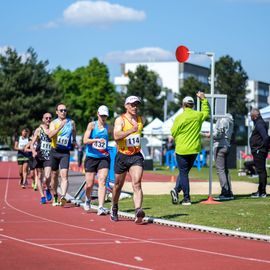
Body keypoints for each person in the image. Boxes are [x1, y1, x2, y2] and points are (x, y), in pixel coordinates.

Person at [170, 92, 210, 205]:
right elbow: (206, 112)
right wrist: (204, 100)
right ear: (192, 105)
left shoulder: (179, 117)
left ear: (183, 105)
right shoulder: (197, 116)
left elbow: (173, 132)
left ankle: (187, 198)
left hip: (182, 149)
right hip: (194, 149)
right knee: (184, 172)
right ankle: (176, 190)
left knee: (183, 173)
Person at [111, 96, 145, 223]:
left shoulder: (141, 120)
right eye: (132, 104)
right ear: (126, 106)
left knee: (137, 183)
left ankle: (138, 211)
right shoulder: (120, 120)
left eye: (136, 104)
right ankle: (114, 206)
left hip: (136, 155)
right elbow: (116, 136)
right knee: (118, 185)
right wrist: (131, 130)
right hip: (122, 155)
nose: (134, 107)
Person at [83, 105, 110, 215]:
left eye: (105, 116)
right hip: (91, 157)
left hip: (104, 157)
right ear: (97, 114)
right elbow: (85, 140)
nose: (103, 117)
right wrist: (95, 140)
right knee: (89, 184)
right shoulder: (92, 125)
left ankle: (101, 207)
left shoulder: (109, 127)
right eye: (101, 115)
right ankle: (88, 199)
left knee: (102, 181)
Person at [48, 103, 77, 206]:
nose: (63, 112)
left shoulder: (71, 122)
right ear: (57, 112)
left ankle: (63, 196)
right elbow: (50, 135)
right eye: (61, 110)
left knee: (64, 175)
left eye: (65, 110)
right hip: (54, 151)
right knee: (54, 175)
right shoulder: (53, 123)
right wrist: (60, 127)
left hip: (65, 152)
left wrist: (74, 140)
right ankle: (55, 195)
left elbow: (74, 131)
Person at [209, 113, 234, 200]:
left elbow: (218, 134)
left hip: (220, 146)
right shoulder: (230, 119)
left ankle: (225, 192)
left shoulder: (222, 119)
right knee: (225, 170)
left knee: (220, 170)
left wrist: (210, 135)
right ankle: (229, 192)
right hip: (227, 145)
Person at [30, 112, 53, 204]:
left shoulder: (53, 129)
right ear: (43, 119)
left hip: (49, 155)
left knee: (47, 176)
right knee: (39, 176)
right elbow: (32, 143)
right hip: (39, 155)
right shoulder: (39, 130)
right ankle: (42, 196)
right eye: (46, 118)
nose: (48, 119)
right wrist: (33, 151)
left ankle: (47, 188)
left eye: (50, 118)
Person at [249, 108, 268, 198]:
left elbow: (265, 137)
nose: (250, 117)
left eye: (251, 116)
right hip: (259, 150)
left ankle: (262, 192)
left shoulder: (259, 124)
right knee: (261, 170)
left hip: (259, 151)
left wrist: (260, 148)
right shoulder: (259, 123)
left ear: (255, 116)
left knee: (261, 171)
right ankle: (260, 190)